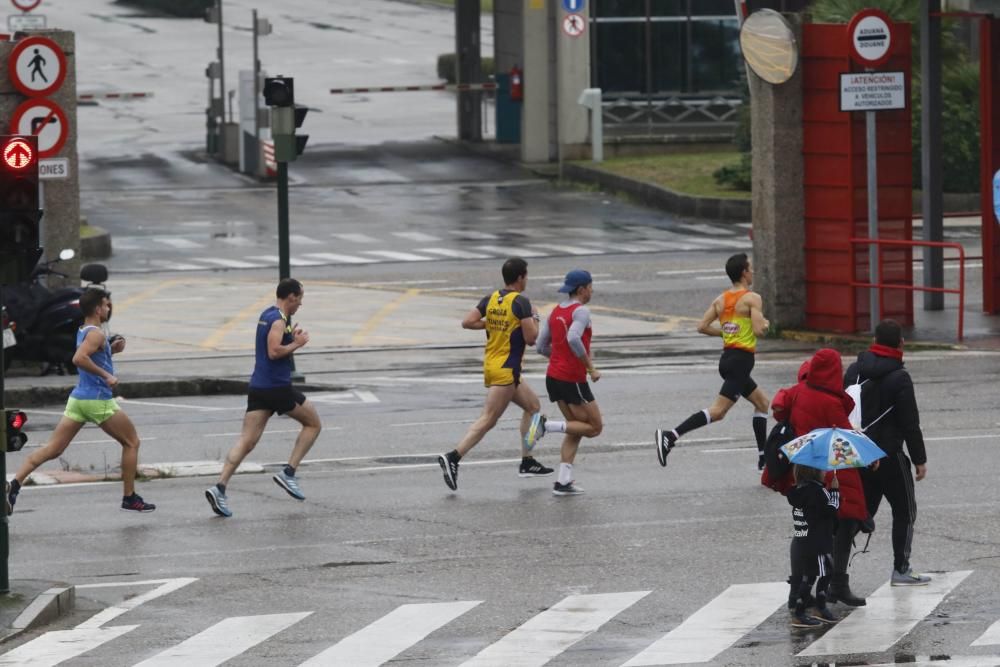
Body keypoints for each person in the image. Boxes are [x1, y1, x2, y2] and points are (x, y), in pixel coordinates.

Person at [6, 288, 155, 514]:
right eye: (106, 305)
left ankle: (14, 484)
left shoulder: (85, 330)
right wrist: (107, 376)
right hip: (97, 400)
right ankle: (129, 496)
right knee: (132, 442)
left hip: (78, 400)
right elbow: (79, 358)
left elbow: (91, 355)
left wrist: (110, 350)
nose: (108, 308)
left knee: (52, 449)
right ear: (97, 309)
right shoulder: (95, 333)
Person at [205, 278, 322, 518]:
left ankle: (219, 488)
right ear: (290, 297)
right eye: (300, 298)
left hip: (259, 386)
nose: (301, 303)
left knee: (247, 441)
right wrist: (297, 344)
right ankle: (288, 473)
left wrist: (291, 337)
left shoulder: (268, 314)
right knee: (313, 424)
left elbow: (276, 344)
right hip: (277, 387)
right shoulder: (278, 319)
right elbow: (274, 351)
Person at [767, 349, 872, 607]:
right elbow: (846, 439)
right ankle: (835, 585)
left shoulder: (800, 391)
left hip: (800, 470)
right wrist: (870, 455)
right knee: (840, 528)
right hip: (828, 472)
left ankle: (799, 587)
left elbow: (781, 407)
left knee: (803, 530)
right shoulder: (830, 402)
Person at [437, 257, 552, 491]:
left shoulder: (492, 298)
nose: (527, 279)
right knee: (489, 419)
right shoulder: (521, 302)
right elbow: (531, 339)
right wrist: (536, 318)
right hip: (506, 370)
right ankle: (453, 457)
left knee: (533, 407)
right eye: (526, 275)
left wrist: (491, 324)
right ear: (520, 277)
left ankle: (527, 461)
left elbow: (467, 322)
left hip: (494, 365)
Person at [655, 253, 771, 470]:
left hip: (727, 359)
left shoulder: (721, 300)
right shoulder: (752, 298)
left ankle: (763, 458)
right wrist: (766, 325)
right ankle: (670, 436)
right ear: (744, 273)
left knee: (762, 403)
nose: (753, 272)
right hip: (741, 361)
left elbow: (701, 326)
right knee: (718, 412)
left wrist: (725, 334)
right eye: (751, 269)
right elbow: (758, 330)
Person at [844, 319, 931, 586]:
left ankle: (833, 570)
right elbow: (909, 422)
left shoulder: (854, 370)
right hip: (890, 456)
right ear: (900, 343)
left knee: (859, 514)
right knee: (905, 510)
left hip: (859, 454)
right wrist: (919, 459)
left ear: (874, 341)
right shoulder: (900, 377)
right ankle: (900, 568)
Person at [536, 270, 602, 496]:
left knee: (575, 428)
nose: (592, 290)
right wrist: (589, 367)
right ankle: (545, 426)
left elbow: (540, 347)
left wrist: (559, 358)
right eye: (591, 287)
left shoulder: (555, 311)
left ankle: (563, 482)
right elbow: (574, 337)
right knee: (594, 427)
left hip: (553, 377)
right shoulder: (581, 311)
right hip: (571, 378)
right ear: (582, 289)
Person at [787, 464, 840, 627]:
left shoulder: (799, 491)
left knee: (816, 573)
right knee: (819, 574)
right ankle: (804, 611)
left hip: (805, 540)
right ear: (815, 472)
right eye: (822, 470)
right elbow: (830, 511)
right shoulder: (817, 492)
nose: (825, 473)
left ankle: (814, 607)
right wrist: (835, 492)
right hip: (818, 542)